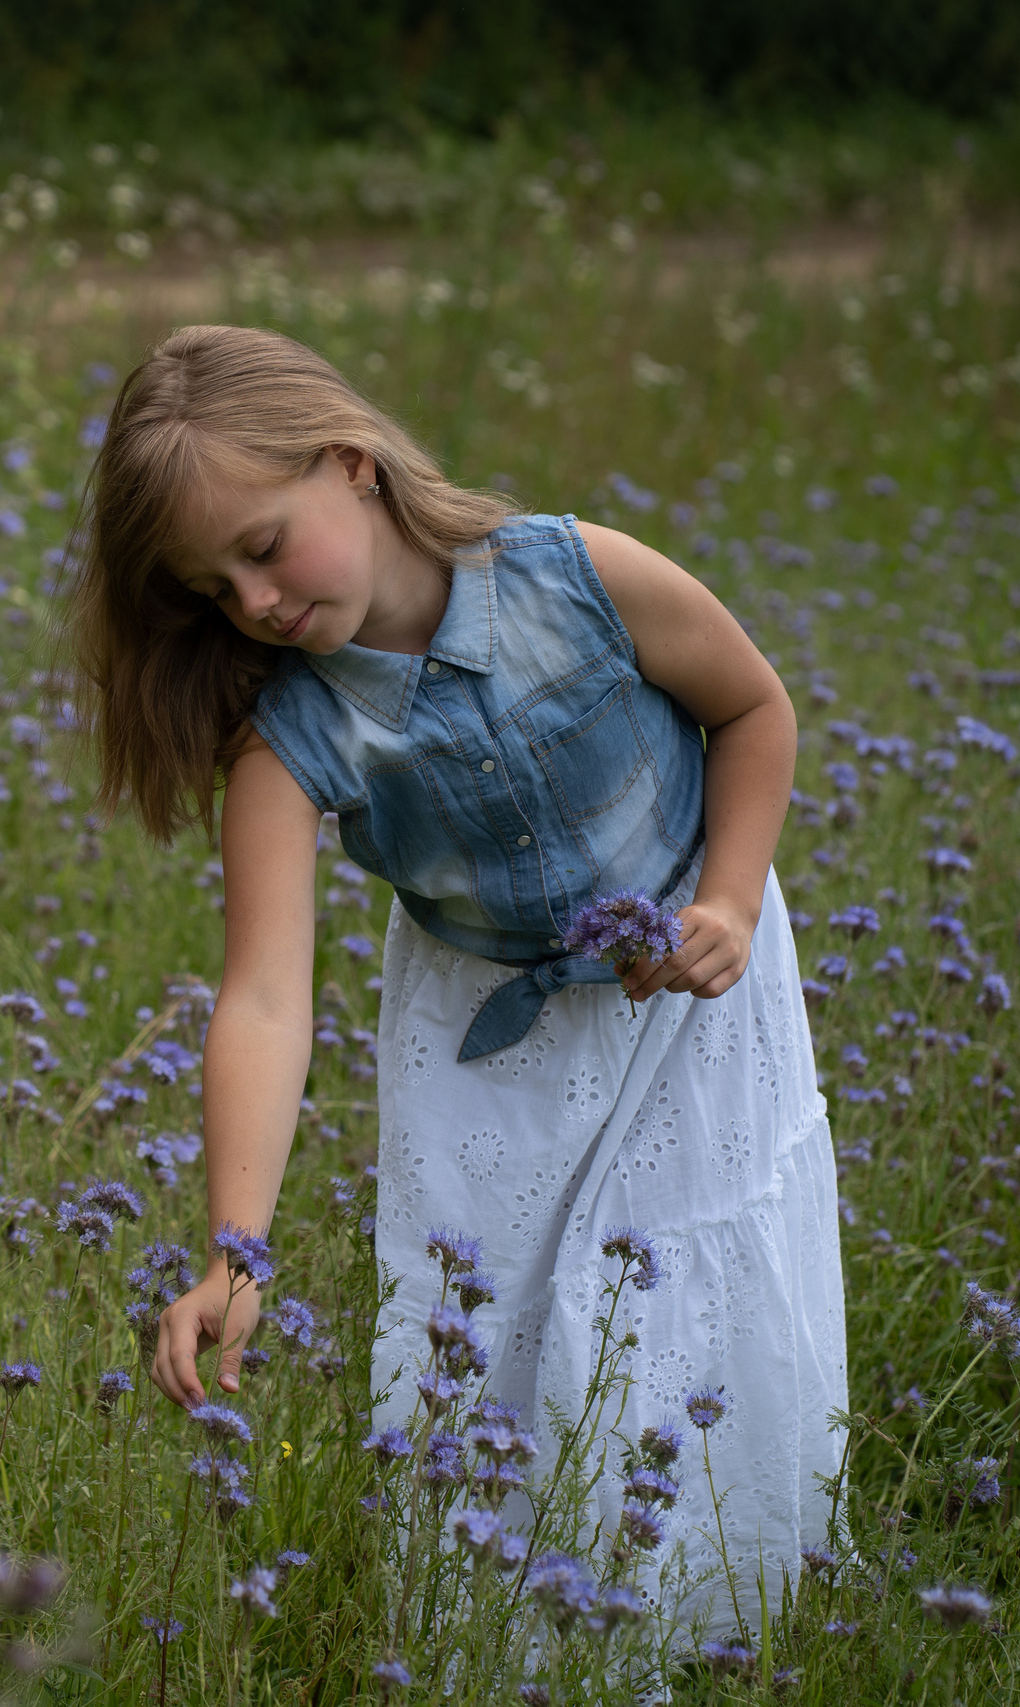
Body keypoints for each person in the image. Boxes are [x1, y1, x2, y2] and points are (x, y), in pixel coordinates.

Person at [70, 323, 846, 1627]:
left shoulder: (580, 574)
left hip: (691, 996)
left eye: (262, 547)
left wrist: (726, 898)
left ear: (352, 465)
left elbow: (751, 707)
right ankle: (528, 1636)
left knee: (690, 1289)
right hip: (495, 1046)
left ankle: (729, 1615)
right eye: (216, 590)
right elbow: (264, 996)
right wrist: (236, 1254)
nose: (254, 605)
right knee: (511, 1326)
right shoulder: (293, 734)